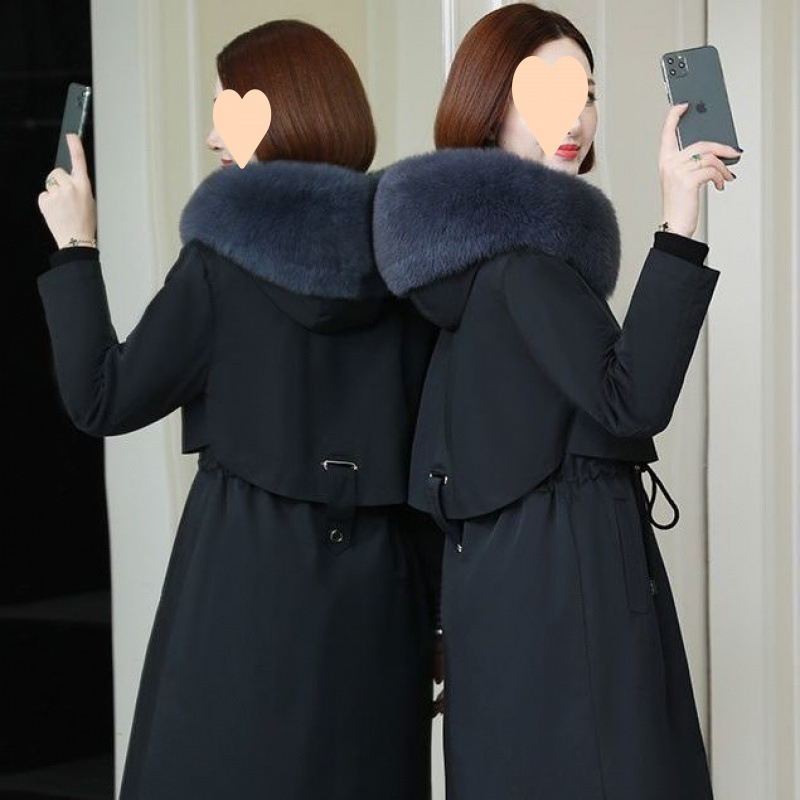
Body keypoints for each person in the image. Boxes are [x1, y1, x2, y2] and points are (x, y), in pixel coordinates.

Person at [37, 19, 441, 800]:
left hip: (244, 574)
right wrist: (439, 620)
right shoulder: (409, 265)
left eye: (227, 108)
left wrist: (76, 246)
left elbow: (102, 396)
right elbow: (434, 458)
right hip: (384, 592)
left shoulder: (221, 264)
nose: (214, 134)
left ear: (279, 114)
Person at [372, 3, 740, 798]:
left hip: (489, 587)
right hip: (573, 580)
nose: (572, 117)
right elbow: (631, 401)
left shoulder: (453, 268)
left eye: (587, 93)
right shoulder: (527, 264)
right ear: (487, 105)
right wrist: (680, 223)